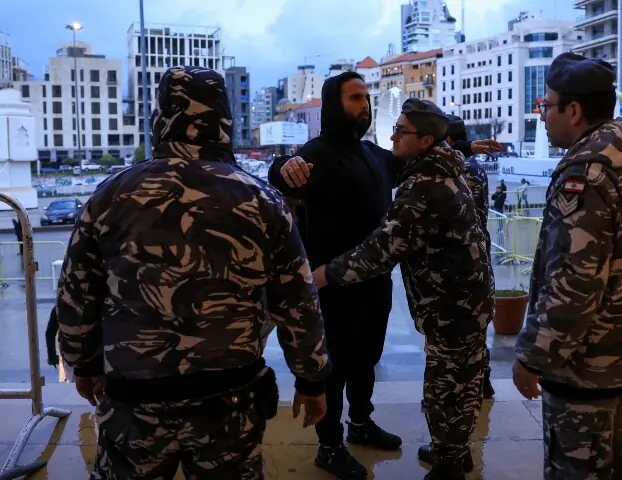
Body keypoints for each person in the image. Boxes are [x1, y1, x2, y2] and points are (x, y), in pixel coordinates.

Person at [56, 65, 331, 480]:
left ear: (160, 119)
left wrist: (83, 363)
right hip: (230, 399)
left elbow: (77, 293)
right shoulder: (261, 200)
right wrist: (311, 379)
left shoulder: (112, 195)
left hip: (134, 398)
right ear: (225, 121)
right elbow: (298, 301)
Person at [267, 71, 501, 479]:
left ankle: (360, 423)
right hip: (331, 283)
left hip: (372, 281)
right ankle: (329, 446)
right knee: (335, 366)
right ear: (333, 104)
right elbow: (279, 179)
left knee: (366, 359)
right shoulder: (312, 156)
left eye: (366, 97)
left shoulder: (376, 156)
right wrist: (280, 166)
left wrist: (462, 144)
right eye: (355, 98)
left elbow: (421, 150)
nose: (365, 105)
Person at [512, 52, 622, 480]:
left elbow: (575, 282)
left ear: (574, 111)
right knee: (621, 467)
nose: (543, 116)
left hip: (585, 368)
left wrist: (533, 354)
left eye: (547, 105)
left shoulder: (585, 177)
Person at [443, 114, 495, 400]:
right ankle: (483, 379)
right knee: (478, 323)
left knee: (462, 327)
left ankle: (469, 386)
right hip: (482, 252)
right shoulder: (477, 167)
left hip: (461, 259)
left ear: (449, 141)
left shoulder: (459, 170)